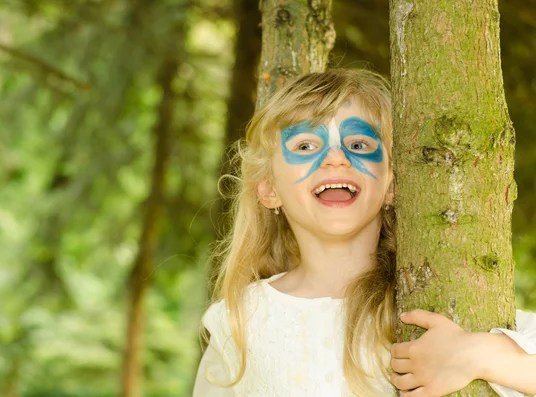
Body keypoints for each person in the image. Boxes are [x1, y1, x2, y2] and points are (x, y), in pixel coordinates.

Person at [192, 69, 536, 397]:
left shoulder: (438, 296)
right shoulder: (239, 319)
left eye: (358, 145)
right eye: (306, 146)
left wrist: (479, 355)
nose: (336, 158)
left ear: (391, 185)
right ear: (269, 189)